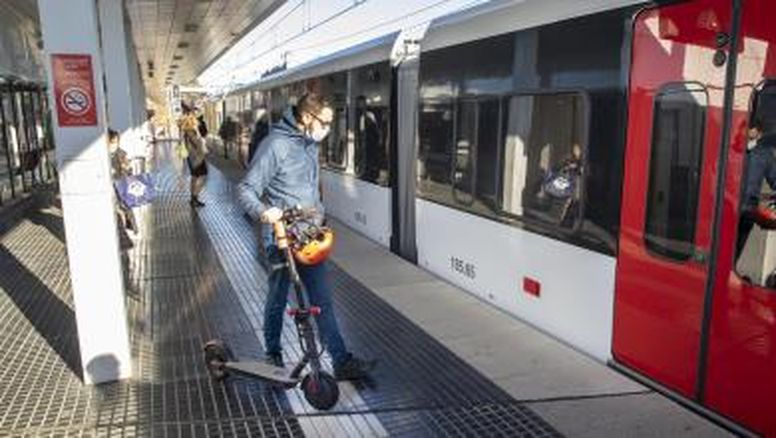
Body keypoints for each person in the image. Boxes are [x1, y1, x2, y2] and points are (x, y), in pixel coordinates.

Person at [236, 93, 376, 381]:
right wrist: (265, 213)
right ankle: (272, 354)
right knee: (277, 298)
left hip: (310, 237)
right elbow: (245, 190)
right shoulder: (276, 145)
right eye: (324, 122)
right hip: (282, 240)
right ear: (306, 118)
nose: (327, 128)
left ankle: (341, 360)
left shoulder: (309, 144)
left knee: (322, 299)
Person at [736, 119, 776, 262]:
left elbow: (774, 179)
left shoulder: (766, 154)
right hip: (729, 206)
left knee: (737, 249)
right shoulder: (734, 148)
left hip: (748, 209)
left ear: (759, 133)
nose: (746, 131)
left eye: (750, 128)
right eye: (744, 128)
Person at [108, 129, 137, 236]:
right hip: (109, 187)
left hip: (120, 184)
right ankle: (120, 230)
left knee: (123, 208)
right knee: (116, 209)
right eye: (112, 142)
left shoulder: (121, 154)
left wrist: (127, 168)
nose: (114, 145)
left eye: (116, 142)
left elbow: (129, 170)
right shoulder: (102, 155)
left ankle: (126, 230)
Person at [179, 103, 208, 207]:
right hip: (196, 157)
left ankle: (193, 199)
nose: (197, 121)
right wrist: (199, 135)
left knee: (195, 176)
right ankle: (194, 197)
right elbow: (197, 142)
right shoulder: (191, 130)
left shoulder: (189, 130)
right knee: (202, 176)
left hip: (193, 156)